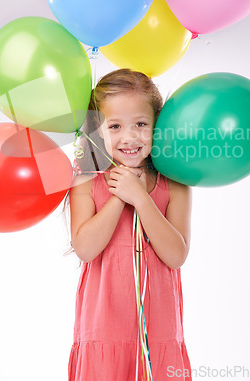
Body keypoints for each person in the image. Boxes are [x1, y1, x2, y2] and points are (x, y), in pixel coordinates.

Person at [62, 68, 192, 381]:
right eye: (115, 126)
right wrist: (120, 196)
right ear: (98, 128)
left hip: (157, 337)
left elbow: (176, 255)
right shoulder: (86, 180)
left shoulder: (174, 183)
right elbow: (86, 248)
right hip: (104, 334)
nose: (130, 136)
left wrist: (142, 198)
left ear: (157, 125)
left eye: (141, 124)